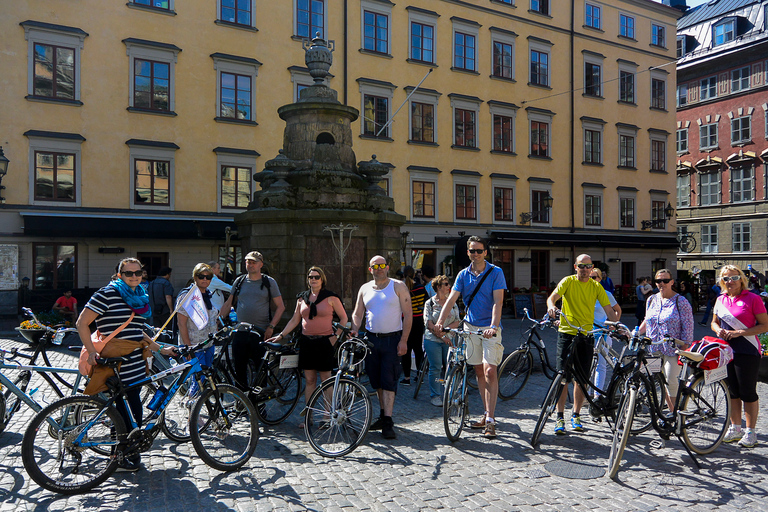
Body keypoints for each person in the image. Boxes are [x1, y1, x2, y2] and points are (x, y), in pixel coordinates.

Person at [76, 258, 175, 472]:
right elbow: (82, 323)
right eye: (128, 273)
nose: (133, 277)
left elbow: (137, 332)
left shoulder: (140, 295)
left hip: (135, 361)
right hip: (114, 361)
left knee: (134, 407)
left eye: (137, 273)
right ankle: (118, 457)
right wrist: (92, 352)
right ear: (119, 274)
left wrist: (161, 350)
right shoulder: (106, 294)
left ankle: (131, 450)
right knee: (119, 411)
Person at [435, 236, 506, 439]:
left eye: (479, 251)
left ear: (486, 252)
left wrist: (493, 326)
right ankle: (485, 413)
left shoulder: (496, 272)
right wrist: (441, 322)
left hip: (489, 328)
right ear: (468, 253)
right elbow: (451, 299)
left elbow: (498, 302)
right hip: (471, 326)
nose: (475, 254)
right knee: (478, 371)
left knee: (490, 370)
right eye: (472, 251)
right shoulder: (463, 275)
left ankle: (491, 420)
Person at [547, 254, 618, 435]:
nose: (585, 269)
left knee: (582, 379)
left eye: (588, 266)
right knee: (563, 377)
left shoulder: (596, 287)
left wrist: (616, 326)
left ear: (591, 267)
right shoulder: (568, 282)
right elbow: (552, 298)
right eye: (581, 266)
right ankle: (560, 416)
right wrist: (551, 306)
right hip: (567, 333)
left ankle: (576, 415)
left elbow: (609, 309)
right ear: (575, 266)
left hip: (586, 335)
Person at [267, 266, 347, 426]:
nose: (313, 279)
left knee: (326, 380)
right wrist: (281, 335)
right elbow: (295, 320)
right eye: (311, 277)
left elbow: (344, 318)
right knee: (310, 380)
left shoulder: (331, 297)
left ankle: (327, 415)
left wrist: (335, 337)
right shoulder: (302, 298)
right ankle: (308, 416)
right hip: (307, 342)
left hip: (325, 342)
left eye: (316, 277)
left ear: (322, 279)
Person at [351, 255, 412, 440]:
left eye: (382, 265)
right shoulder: (365, 288)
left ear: (387, 267)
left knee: (389, 380)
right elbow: (357, 313)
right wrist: (354, 330)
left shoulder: (398, 286)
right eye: (375, 266)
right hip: (371, 340)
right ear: (370, 269)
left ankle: (388, 421)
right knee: (376, 381)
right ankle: (383, 414)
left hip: (392, 340)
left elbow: (408, 315)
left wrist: (404, 340)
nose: (379, 268)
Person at [712, 265, 768, 448]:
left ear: (742, 279)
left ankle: (750, 432)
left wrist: (739, 332)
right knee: (732, 392)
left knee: (747, 392)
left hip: (747, 350)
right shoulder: (720, 299)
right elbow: (714, 322)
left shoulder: (753, 298)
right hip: (726, 351)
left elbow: (764, 326)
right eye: (726, 278)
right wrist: (718, 329)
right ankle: (736, 428)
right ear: (722, 281)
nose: (730, 282)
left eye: (734, 278)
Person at [220, 251, 286, 391]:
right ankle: (242, 402)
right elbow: (228, 303)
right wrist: (218, 321)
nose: (250, 264)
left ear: (261, 264)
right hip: (240, 331)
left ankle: (259, 404)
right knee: (239, 369)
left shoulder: (269, 282)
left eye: (254, 262)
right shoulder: (240, 281)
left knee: (260, 370)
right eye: (248, 262)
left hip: (260, 332)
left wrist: (271, 326)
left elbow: (280, 307)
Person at [638, 269, 694, 411]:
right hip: (654, 348)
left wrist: (684, 349)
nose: (661, 283)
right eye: (658, 281)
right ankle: (672, 412)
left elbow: (688, 327)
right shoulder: (652, 299)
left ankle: (676, 413)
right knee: (659, 381)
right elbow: (647, 320)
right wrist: (636, 333)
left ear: (671, 282)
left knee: (671, 381)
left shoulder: (681, 301)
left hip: (674, 349)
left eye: (665, 280)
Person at [176, 263, 220, 398]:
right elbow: (181, 324)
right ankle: (192, 412)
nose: (205, 279)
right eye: (201, 276)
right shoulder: (187, 296)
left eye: (208, 277)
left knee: (206, 378)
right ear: (195, 277)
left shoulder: (208, 295)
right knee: (198, 379)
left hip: (208, 344)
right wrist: (188, 347)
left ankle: (197, 406)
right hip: (194, 345)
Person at [423, 275, 460, 406]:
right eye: (446, 284)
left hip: (450, 339)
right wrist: (442, 336)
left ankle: (451, 394)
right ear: (439, 287)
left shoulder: (452, 303)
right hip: (433, 340)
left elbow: (458, 321)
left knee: (451, 367)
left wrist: (446, 329)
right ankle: (435, 395)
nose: (448, 286)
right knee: (436, 367)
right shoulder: (430, 303)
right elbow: (428, 323)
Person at [589, 268, 622, 400]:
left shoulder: (606, 294)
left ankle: (597, 395)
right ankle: (587, 393)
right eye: (589, 277)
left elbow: (617, 310)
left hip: (603, 333)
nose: (591, 280)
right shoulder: (585, 294)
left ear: (599, 279)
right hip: (588, 333)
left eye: (594, 277)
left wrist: (614, 325)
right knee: (587, 365)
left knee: (600, 365)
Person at [400, 266, 428, 386]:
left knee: (405, 349)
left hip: (405, 320)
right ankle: (419, 374)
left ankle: (406, 377)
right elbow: (426, 302)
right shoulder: (421, 288)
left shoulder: (402, 288)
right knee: (418, 349)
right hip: (418, 320)